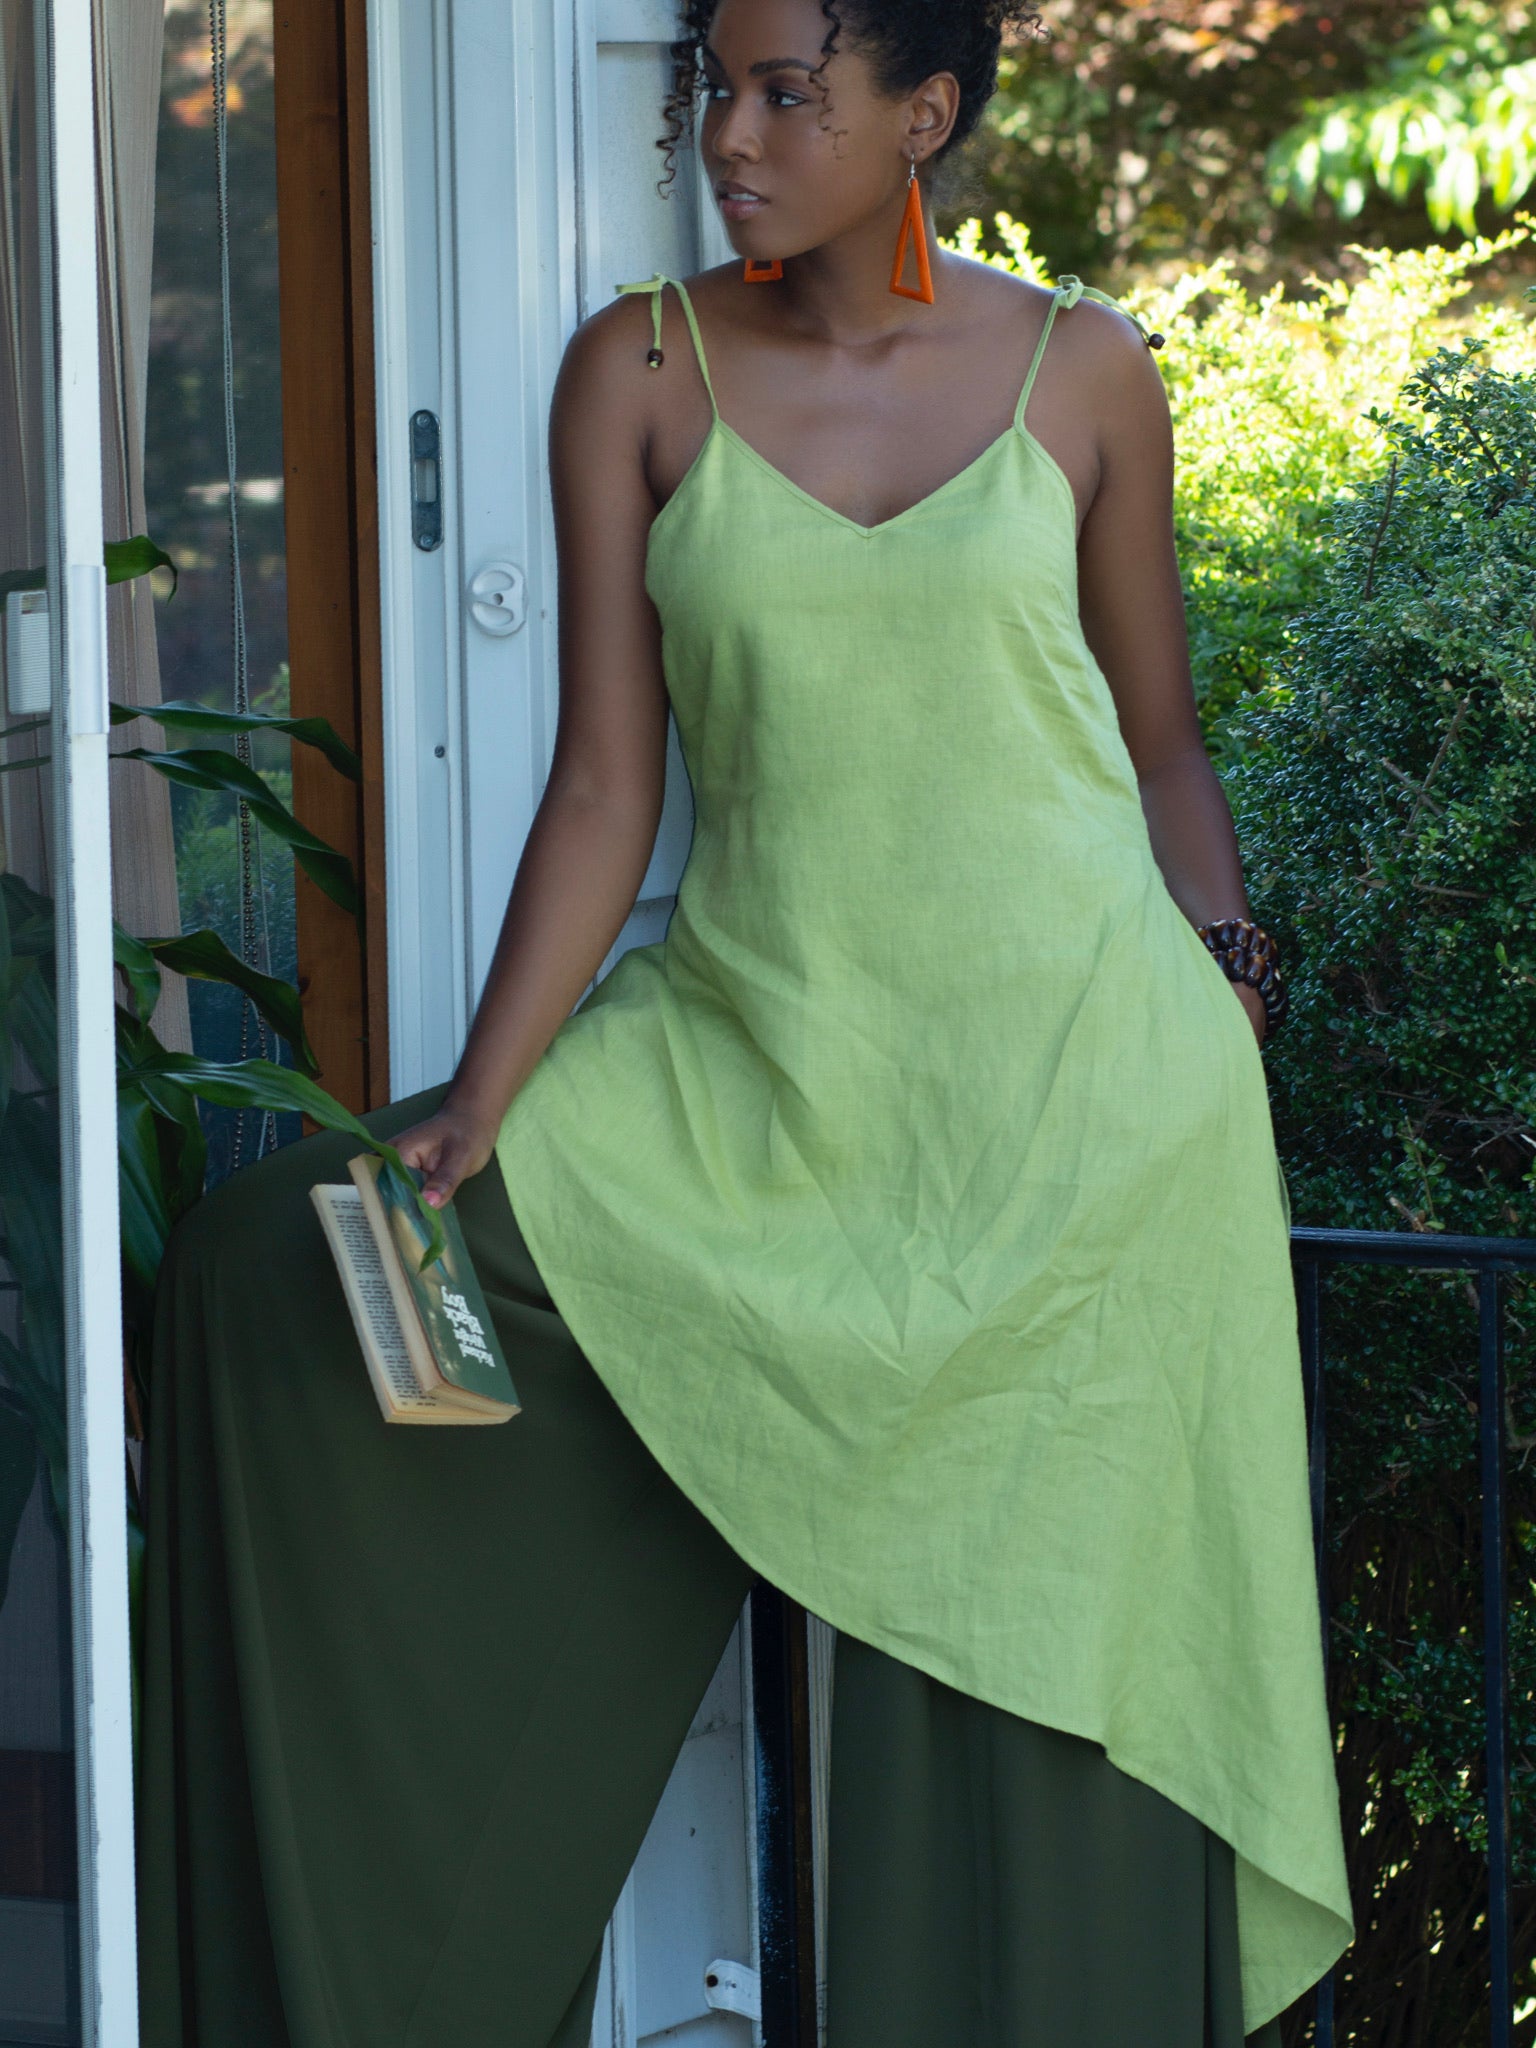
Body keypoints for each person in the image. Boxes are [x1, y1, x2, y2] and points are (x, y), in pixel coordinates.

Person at [136, 1, 1354, 2043]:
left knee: (1024, 1698)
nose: (729, 131)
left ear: (926, 114)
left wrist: (1226, 998)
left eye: (790, 88)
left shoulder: (1086, 374)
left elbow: (1160, 753)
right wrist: (479, 1111)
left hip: (1080, 1122)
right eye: (715, 83)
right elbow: (612, 790)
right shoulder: (641, 368)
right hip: (746, 1089)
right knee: (290, 1270)